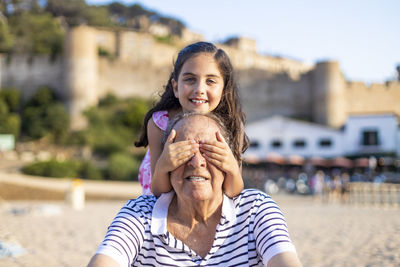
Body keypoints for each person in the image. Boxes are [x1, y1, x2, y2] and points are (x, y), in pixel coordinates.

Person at [88, 112, 301, 267]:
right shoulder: (139, 214)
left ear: (228, 160)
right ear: (165, 161)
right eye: (183, 152)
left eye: (209, 150)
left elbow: (284, 259)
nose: (197, 162)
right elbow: (107, 259)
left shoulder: (255, 210)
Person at [134, 41, 249, 197]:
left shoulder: (233, 125)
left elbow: (233, 191)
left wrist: (232, 168)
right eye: (190, 79)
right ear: (175, 87)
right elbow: (157, 191)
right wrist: (164, 165)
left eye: (210, 81)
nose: (199, 89)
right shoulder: (160, 123)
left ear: (224, 89)